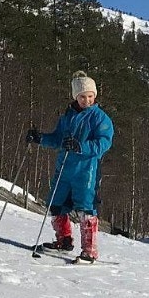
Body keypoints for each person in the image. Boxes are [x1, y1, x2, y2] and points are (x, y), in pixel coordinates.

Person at [27, 73, 114, 261]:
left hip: (86, 170)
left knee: (86, 208)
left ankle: (89, 250)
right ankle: (63, 241)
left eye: (90, 96)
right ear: (76, 96)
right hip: (65, 168)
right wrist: (40, 138)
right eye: (83, 96)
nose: (87, 100)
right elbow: (58, 139)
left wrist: (81, 146)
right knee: (56, 205)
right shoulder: (68, 116)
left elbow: (104, 142)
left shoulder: (100, 118)